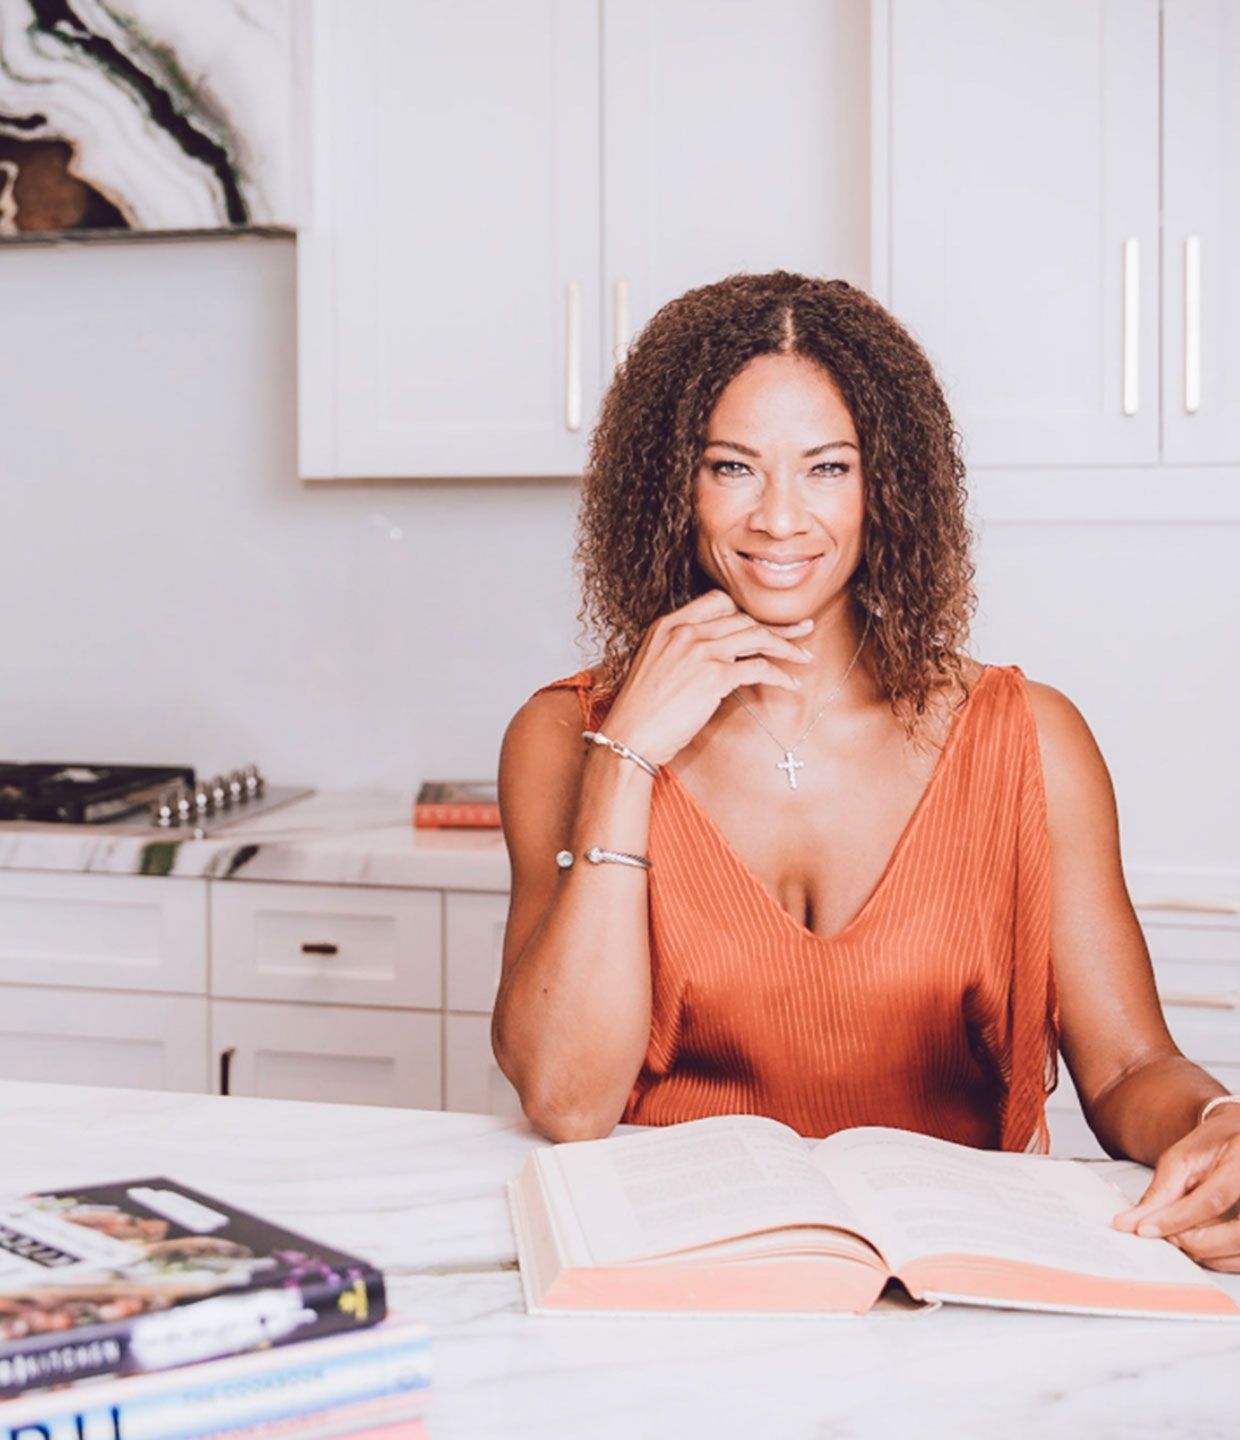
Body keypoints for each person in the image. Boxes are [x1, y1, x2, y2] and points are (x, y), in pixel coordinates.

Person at [491, 271, 1240, 1273]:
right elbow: (569, 1101)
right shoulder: (564, 735)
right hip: (676, 1272)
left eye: (827, 468)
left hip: (955, 1278)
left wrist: (1217, 1121)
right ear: (671, 484)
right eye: (732, 468)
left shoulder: (1029, 738)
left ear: (888, 483)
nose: (779, 520)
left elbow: (1128, 1065)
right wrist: (628, 754)